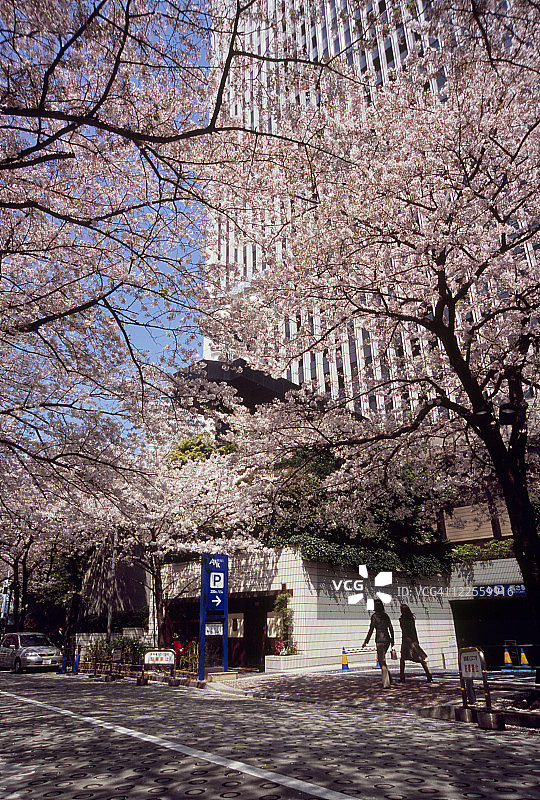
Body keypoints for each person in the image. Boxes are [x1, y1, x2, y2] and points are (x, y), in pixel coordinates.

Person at [362, 599, 395, 688]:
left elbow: (371, 629)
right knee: (382, 659)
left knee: (381, 661)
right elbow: (391, 628)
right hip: (387, 639)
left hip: (379, 640)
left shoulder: (374, 616)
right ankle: (389, 679)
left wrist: (366, 641)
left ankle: (386, 683)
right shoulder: (385, 616)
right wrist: (392, 641)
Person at [398, 604, 432, 682]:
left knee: (403, 659)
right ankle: (428, 674)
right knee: (419, 658)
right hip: (413, 640)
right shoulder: (411, 618)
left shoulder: (403, 619)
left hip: (407, 641)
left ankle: (402, 677)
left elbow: (405, 630)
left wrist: (407, 637)